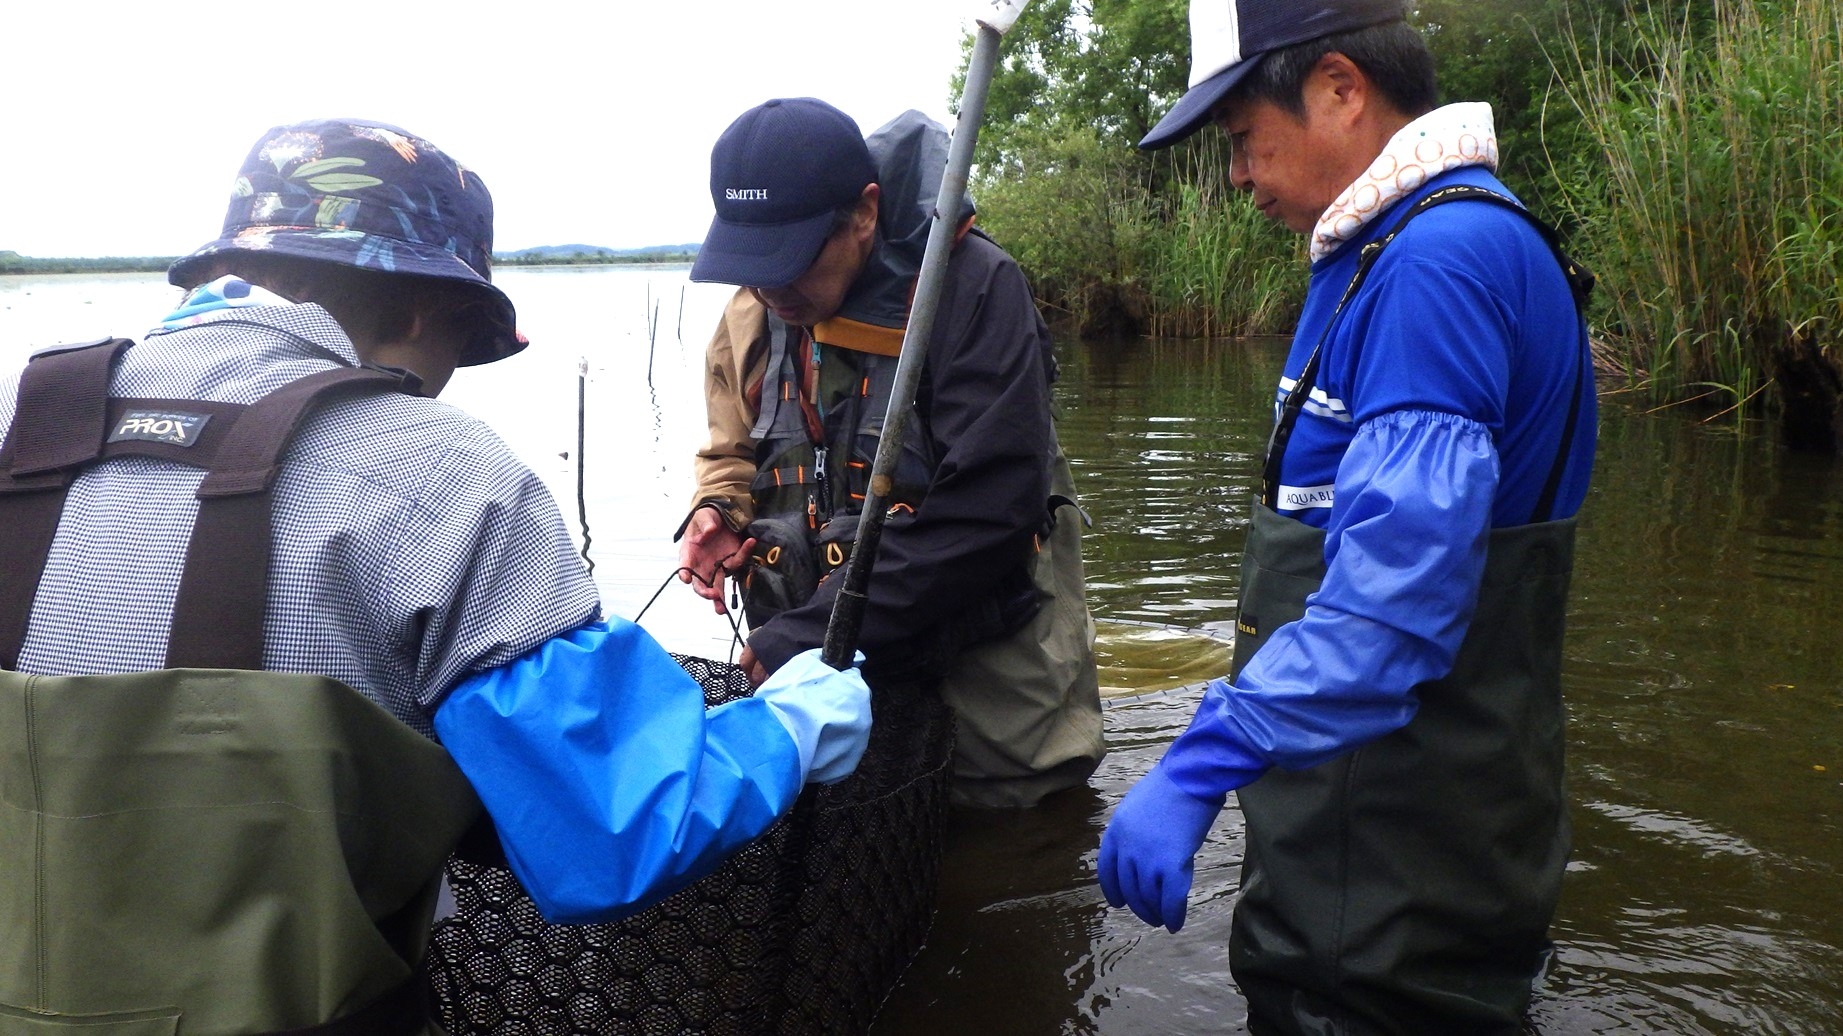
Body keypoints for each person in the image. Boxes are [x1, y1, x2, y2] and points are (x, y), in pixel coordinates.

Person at [0, 118, 870, 1032]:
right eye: (464, 341)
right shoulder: (440, 470)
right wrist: (789, 728)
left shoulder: (27, 418)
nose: (447, 382)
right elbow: (609, 830)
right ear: (424, 309)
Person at [1096, 2, 1598, 1033]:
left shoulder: (1436, 266)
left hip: (1391, 904)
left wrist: (1201, 755)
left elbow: (1390, 611)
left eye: (1242, 140)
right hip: (1389, 871)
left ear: (1338, 87)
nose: (1237, 177)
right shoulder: (1396, 250)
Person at [677, 97, 1106, 810]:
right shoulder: (755, 312)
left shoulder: (974, 287)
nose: (770, 287)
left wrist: (810, 628)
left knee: (1014, 849)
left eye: (791, 259)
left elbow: (990, 510)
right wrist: (717, 508)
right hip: (822, 671)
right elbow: (731, 451)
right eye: (752, 264)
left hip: (984, 674)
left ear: (864, 214)